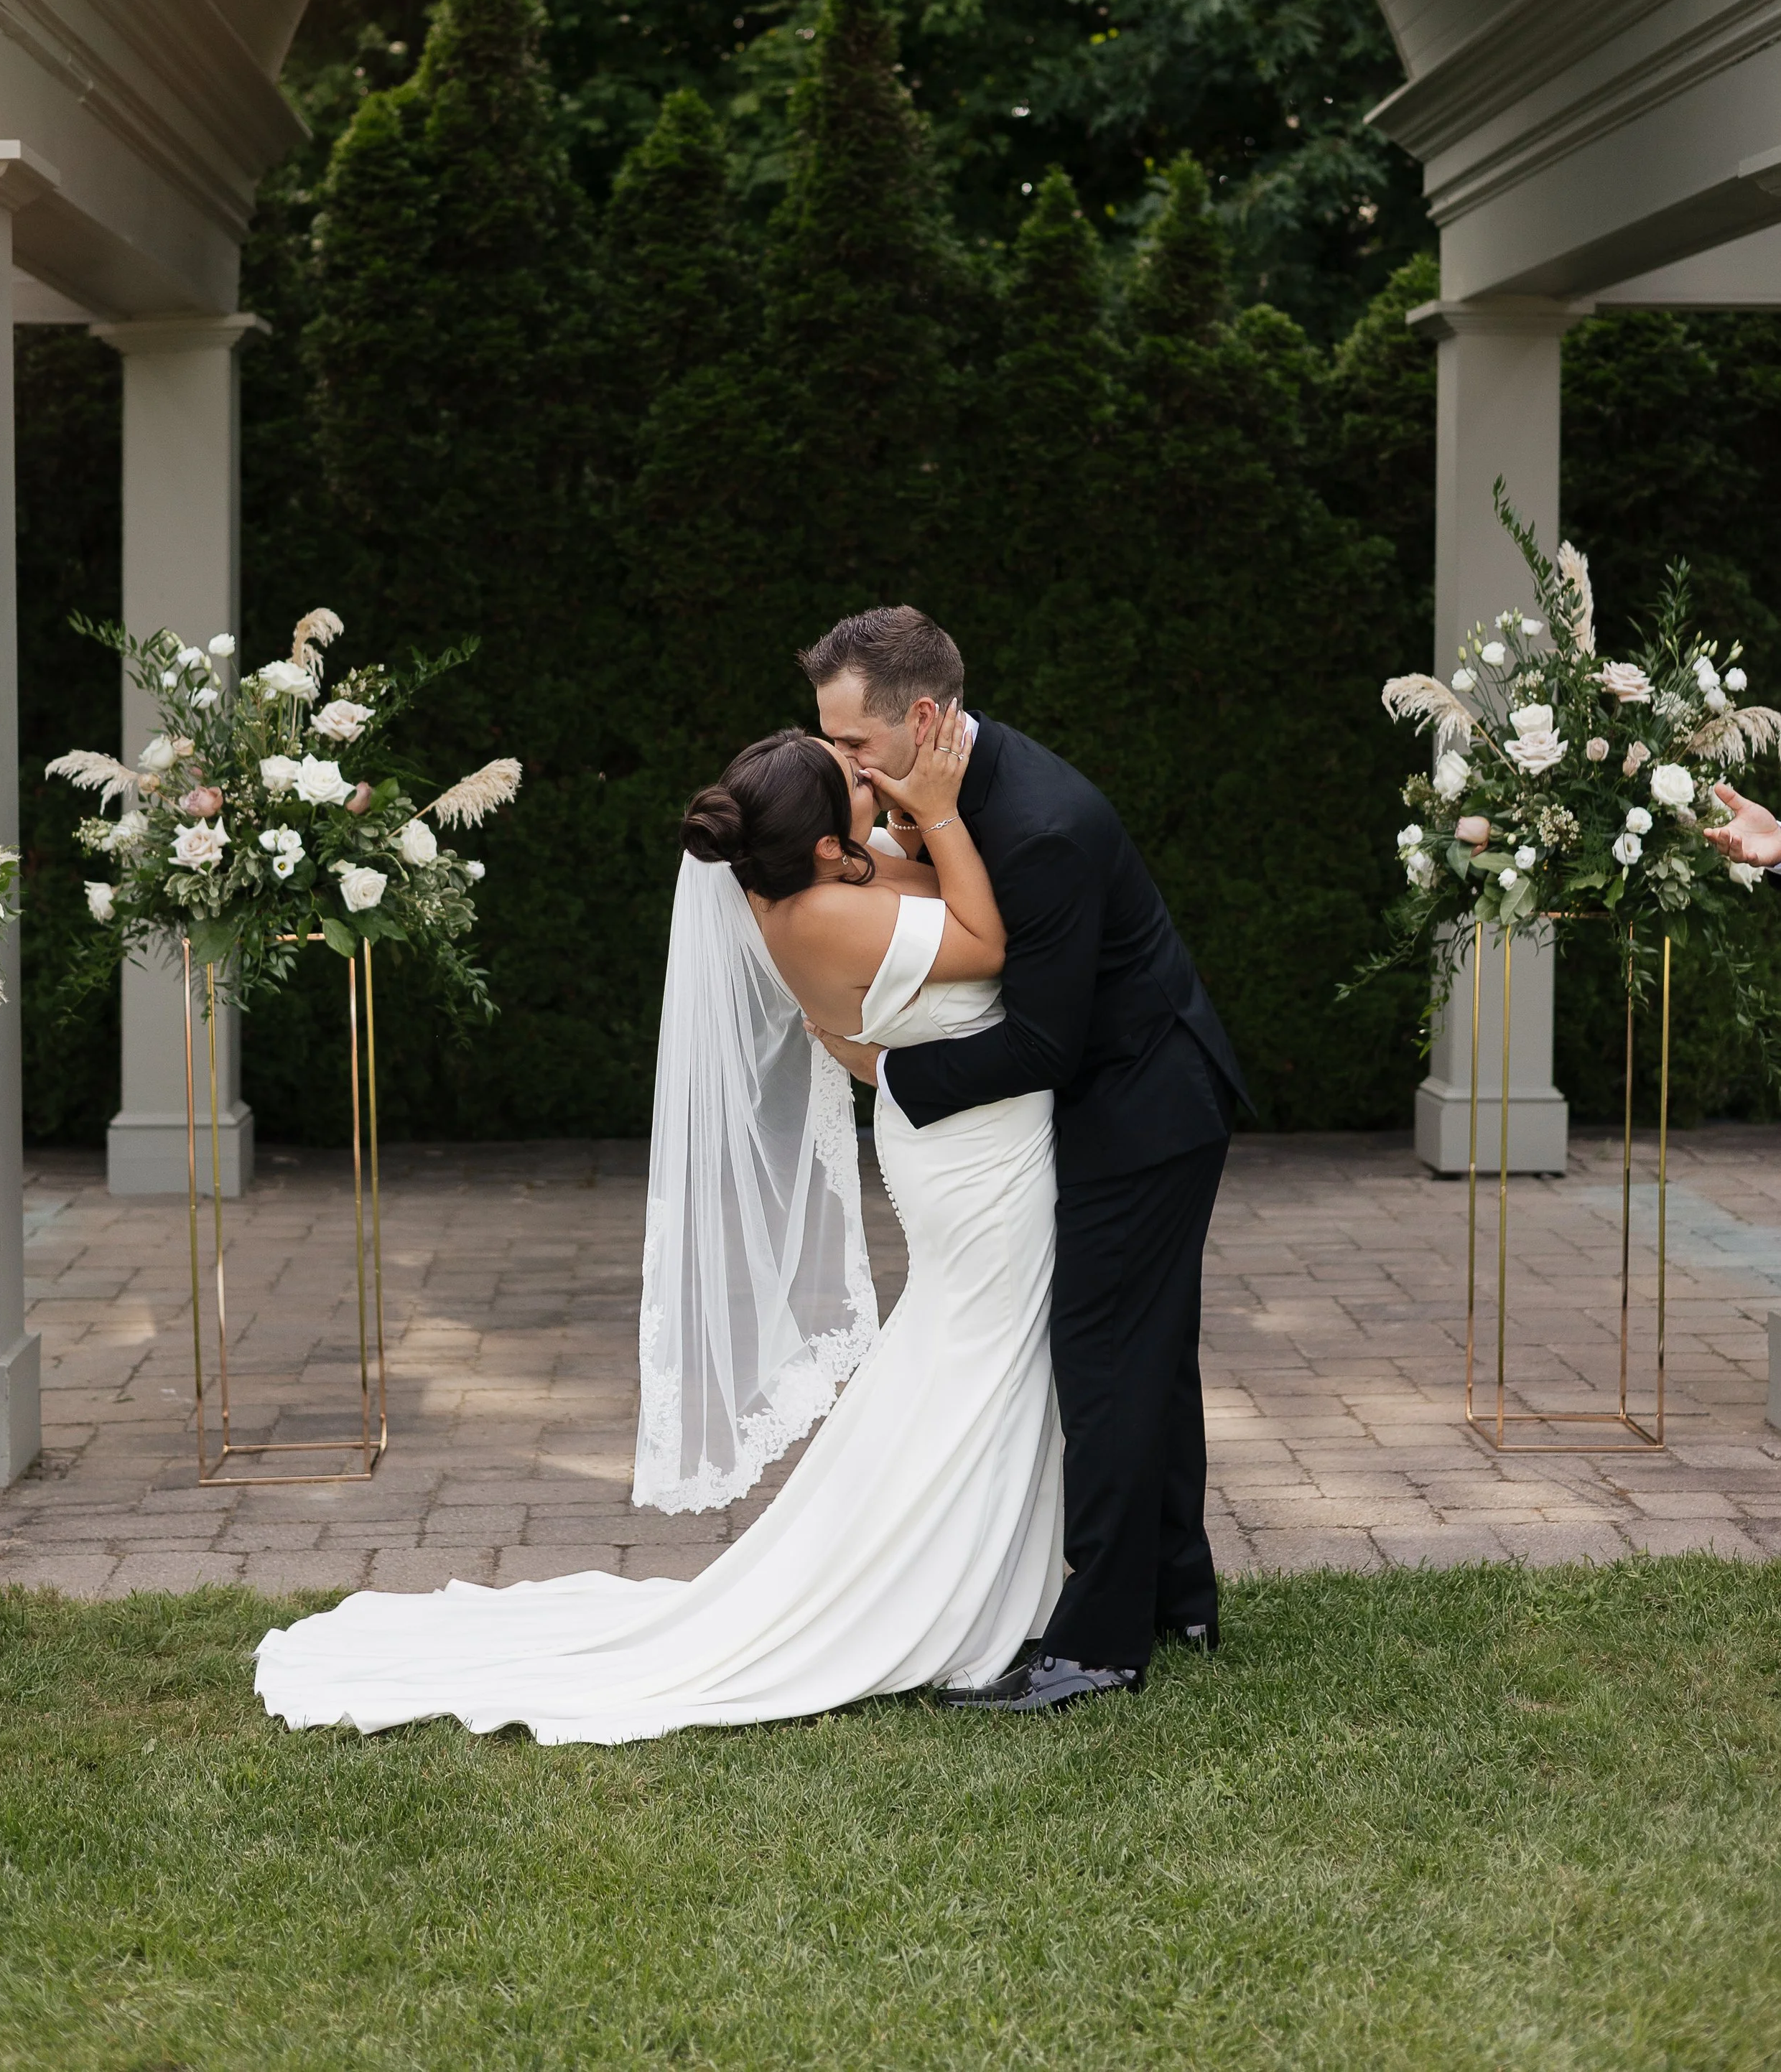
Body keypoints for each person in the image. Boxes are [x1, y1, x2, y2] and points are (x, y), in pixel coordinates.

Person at [255, 708, 1067, 1744]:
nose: (876, 782)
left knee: (973, 1358)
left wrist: (912, 823)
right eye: (855, 784)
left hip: (969, 1141)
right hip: (971, 1163)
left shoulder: (815, 883)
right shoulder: (820, 911)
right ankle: (930, 1593)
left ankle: (981, 1569)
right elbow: (989, 936)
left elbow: (911, 911)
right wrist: (945, 812)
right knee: (978, 1357)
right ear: (823, 843)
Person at [804, 605, 1245, 1714]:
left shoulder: (1038, 821)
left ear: (919, 717)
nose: (841, 764)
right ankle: (1178, 1596)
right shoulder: (949, 793)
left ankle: (1095, 1646)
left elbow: (1043, 1042)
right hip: (1132, 1099)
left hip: (1144, 1110)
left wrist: (892, 1080)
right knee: (1149, 1353)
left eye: (853, 743)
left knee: (1103, 1361)